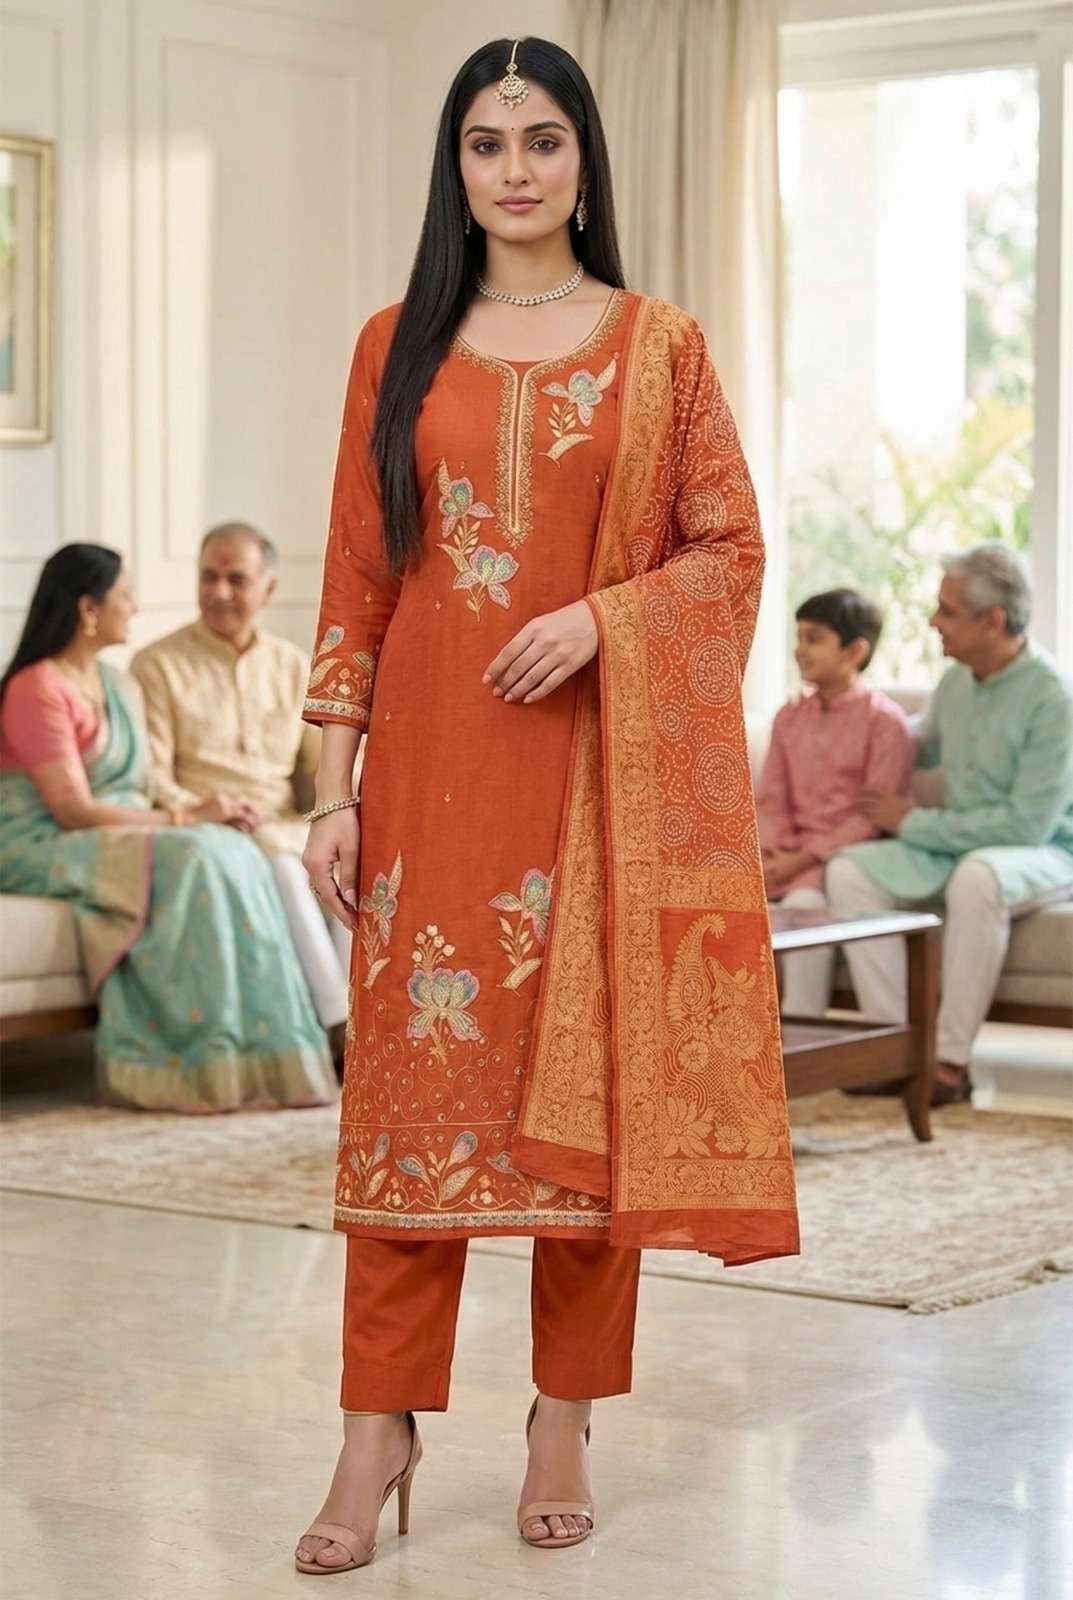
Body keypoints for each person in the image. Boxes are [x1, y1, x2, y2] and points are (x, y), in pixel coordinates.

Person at [292, 36, 799, 1575]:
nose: (513, 168)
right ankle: (375, 1428)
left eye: (541, 140)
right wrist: (331, 790)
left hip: (594, 787)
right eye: (484, 142)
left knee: (588, 1124)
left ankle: (562, 1416)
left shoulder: (662, 347)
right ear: (455, 170)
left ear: (584, 162)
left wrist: (601, 621)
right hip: (430, 781)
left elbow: (728, 550)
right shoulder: (396, 344)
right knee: (407, 1114)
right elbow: (358, 573)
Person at [0, 543, 337, 1113]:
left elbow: (138, 788)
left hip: (110, 831)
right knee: (195, 853)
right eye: (126, 595)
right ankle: (190, 1062)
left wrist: (206, 816)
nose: (134, 606)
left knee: (228, 848)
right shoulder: (37, 689)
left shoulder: (114, 684)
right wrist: (185, 817)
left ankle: (256, 1059)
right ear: (88, 609)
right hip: (39, 841)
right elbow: (74, 811)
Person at [826, 543, 1073, 1105]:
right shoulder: (956, 682)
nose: (934, 622)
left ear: (993, 621)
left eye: (948, 611)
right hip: (958, 843)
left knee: (977, 878)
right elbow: (912, 744)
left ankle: (949, 1063)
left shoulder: (1054, 698)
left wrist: (912, 822)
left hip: (1046, 851)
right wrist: (845, 719)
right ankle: (897, 1049)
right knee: (848, 872)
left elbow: (1026, 827)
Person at [130, 523, 352, 1050]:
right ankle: (340, 1025)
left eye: (236, 580)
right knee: (284, 863)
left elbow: (321, 767)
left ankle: (368, 1015)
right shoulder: (157, 665)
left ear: (268, 589)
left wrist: (339, 809)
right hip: (211, 826)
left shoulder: (292, 665)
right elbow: (153, 775)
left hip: (283, 822)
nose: (219, 592)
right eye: (208, 577)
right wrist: (204, 808)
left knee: (349, 859)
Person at [758, 589, 914, 1015]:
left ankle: (817, 1031)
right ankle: (796, 1035)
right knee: (800, 904)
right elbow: (771, 798)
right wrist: (776, 854)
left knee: (805, 904)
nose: (800, 649)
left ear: (854, 651)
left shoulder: (885, 722)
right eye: (799, 637)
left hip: (849, 861)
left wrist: (804, 859)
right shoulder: (788, 717)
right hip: (789, 865)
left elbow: (872, 818)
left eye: (814, 639)